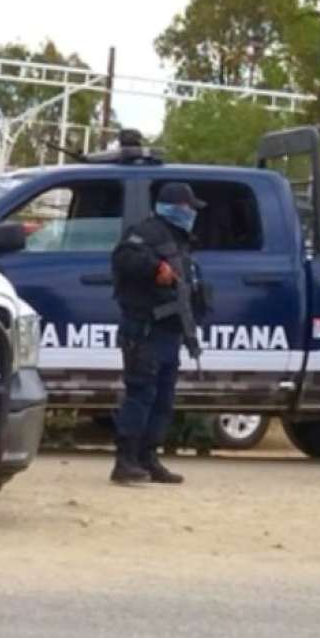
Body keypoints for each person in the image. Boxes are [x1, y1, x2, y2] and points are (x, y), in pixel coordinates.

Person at [109, 182, 206, 484]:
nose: (192, 213)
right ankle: (125, 462)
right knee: (141, 395)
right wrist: (154, 269)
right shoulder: (147, 233)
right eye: (189, 207)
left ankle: (148, 458)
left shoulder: (179, 240)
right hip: (145, 330)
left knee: (163, 398)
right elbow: (123, 258)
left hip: (169, 332)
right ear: (176, 207)